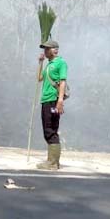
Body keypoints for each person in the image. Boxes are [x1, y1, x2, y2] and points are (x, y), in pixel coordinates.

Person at [36, 39, 67, 170]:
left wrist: (60, 101)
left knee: (50, 129)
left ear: (55, 50)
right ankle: (52, 161)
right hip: (46, 100)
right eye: (45, 49)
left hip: (53, 100)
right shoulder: (49, 64)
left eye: (47, 49)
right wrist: (41, 63)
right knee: (49, 129)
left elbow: (63, 82)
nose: (45, 51)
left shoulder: (60, 63)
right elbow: (39, 78)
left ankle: (53, 163)